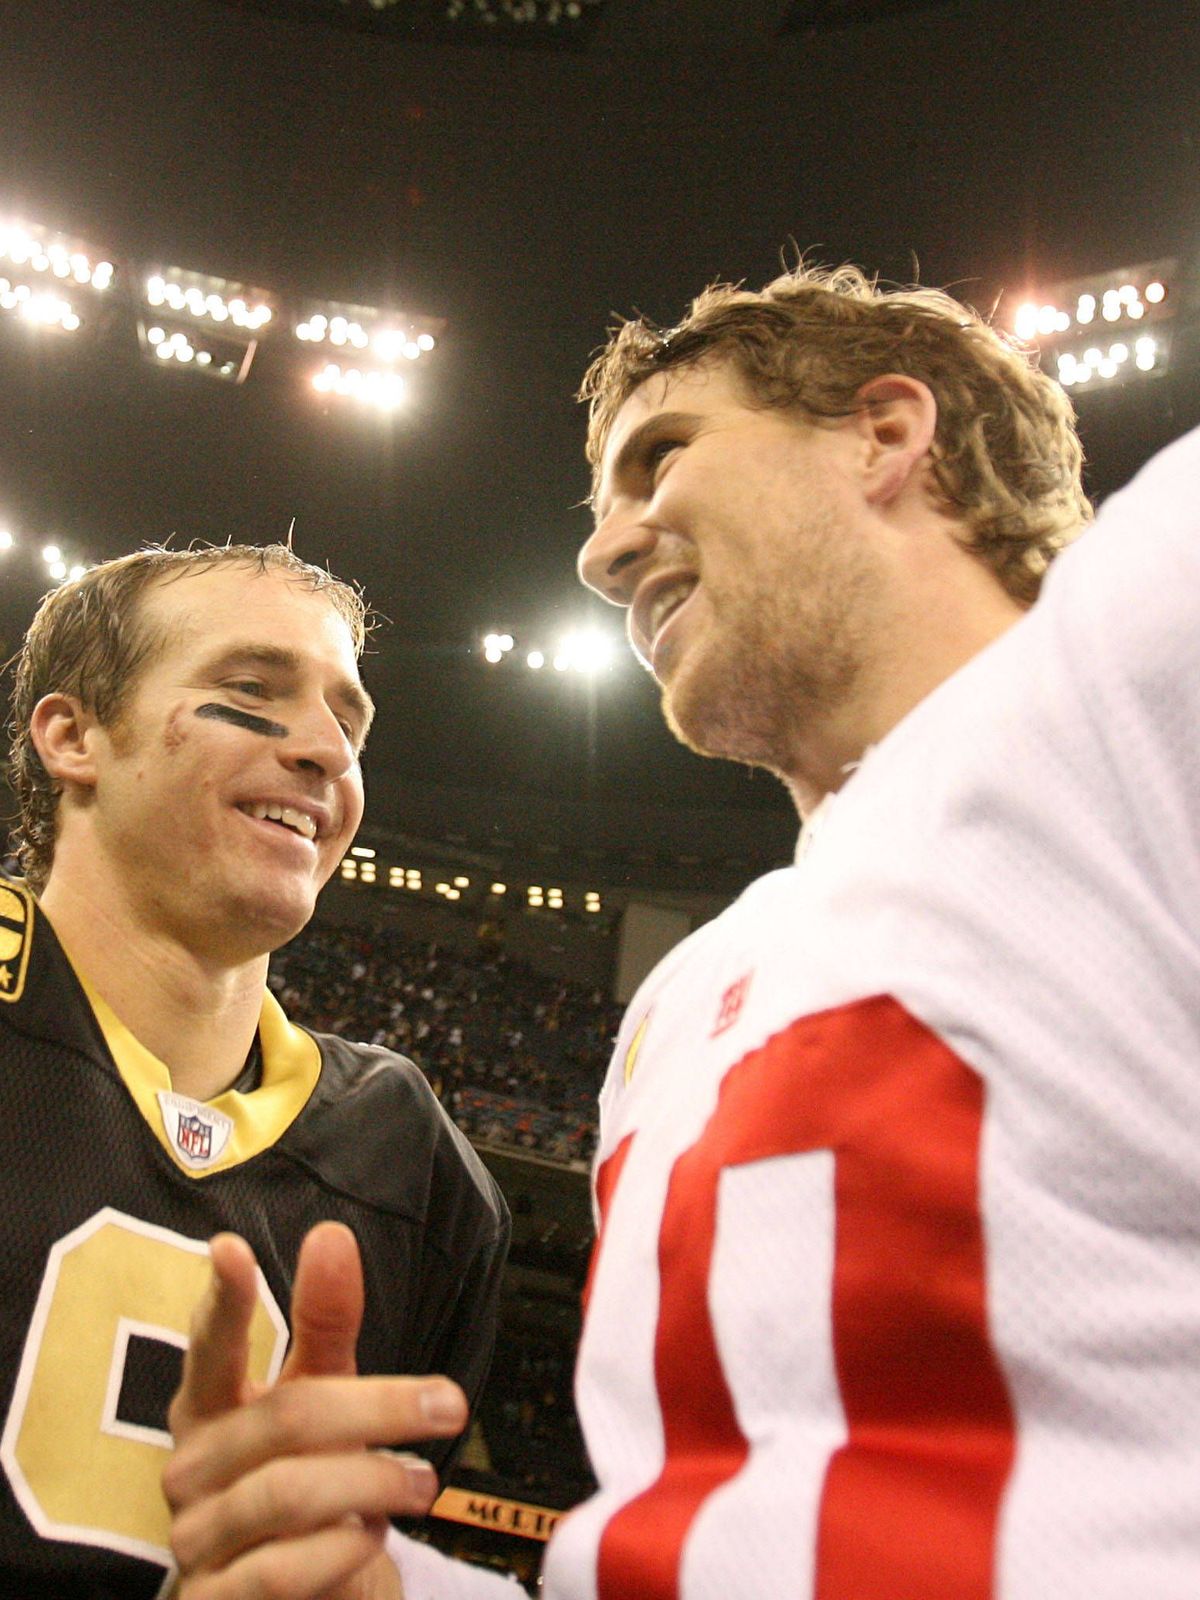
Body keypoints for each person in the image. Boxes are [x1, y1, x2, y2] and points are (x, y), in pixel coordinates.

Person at [164, 263, 1200, 1599]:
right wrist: (383, 1587)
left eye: (662, 457)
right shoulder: (680, 998)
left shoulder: (1126, 683)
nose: (602, 556)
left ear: (887, 433)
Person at [0, 545, 510, 1597]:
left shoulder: (414, 1166)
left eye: (349, 725)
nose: (326, 751)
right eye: (252, 689)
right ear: (74, 737)